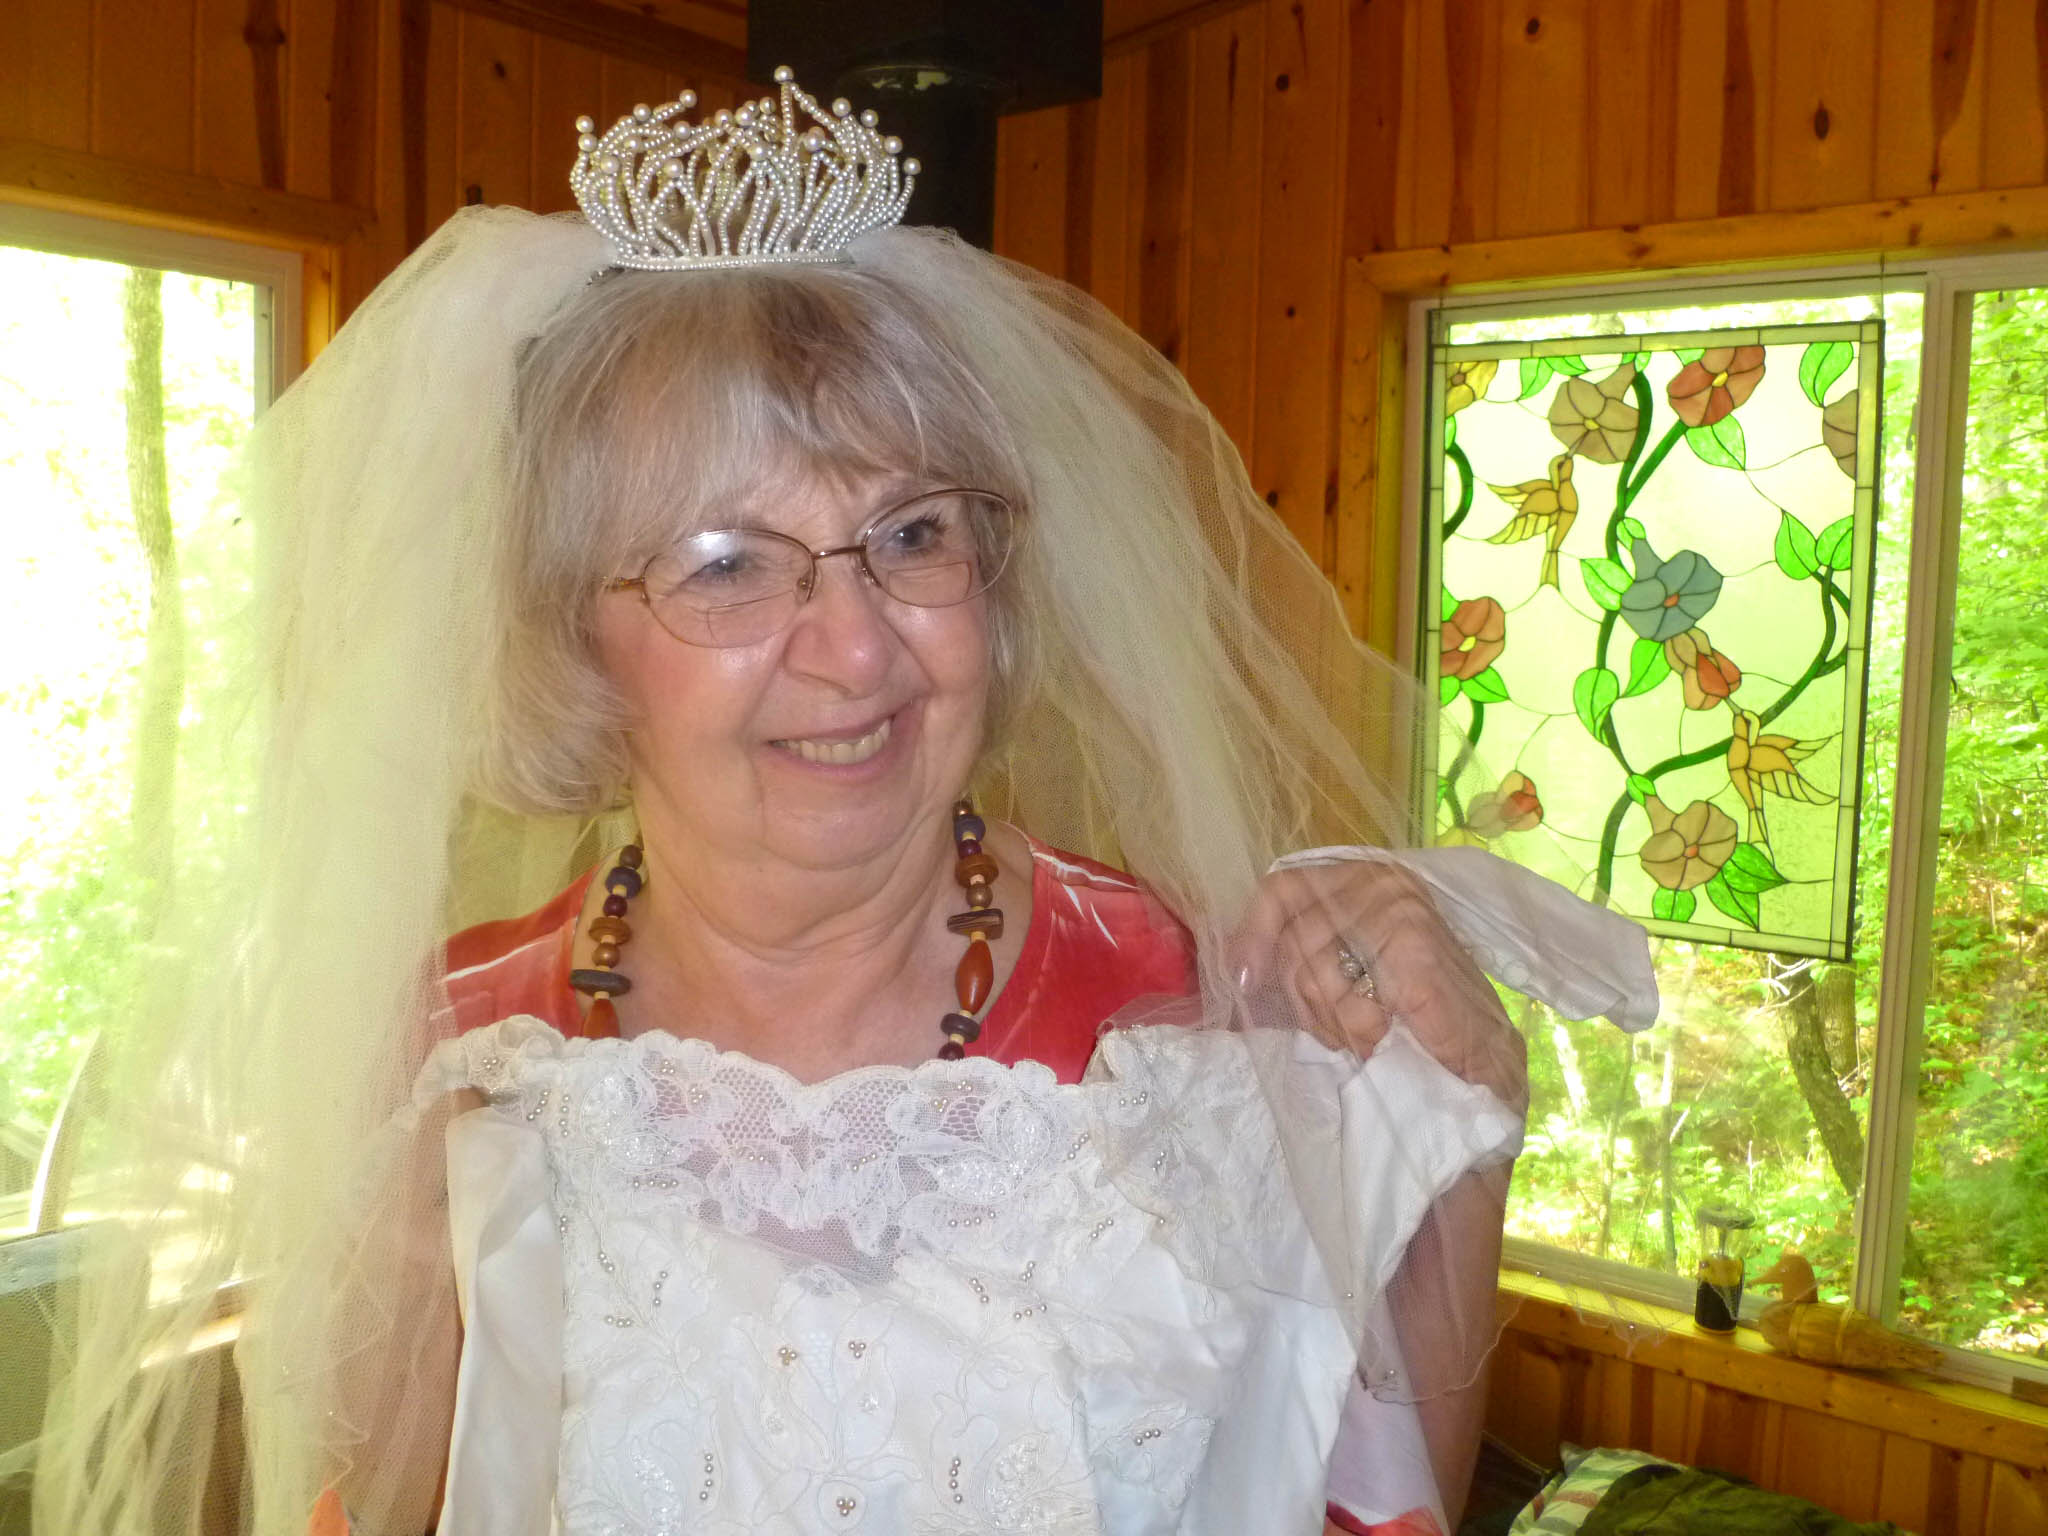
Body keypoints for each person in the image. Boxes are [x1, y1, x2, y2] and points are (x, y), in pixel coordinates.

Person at [26, 71, 1654, 1536]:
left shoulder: (1193, 1002)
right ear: (572, 638)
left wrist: (1453, 1140)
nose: (859, 642)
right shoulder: (446, 1066)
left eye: (914, 534)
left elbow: (1375, 1513)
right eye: (726, 562)